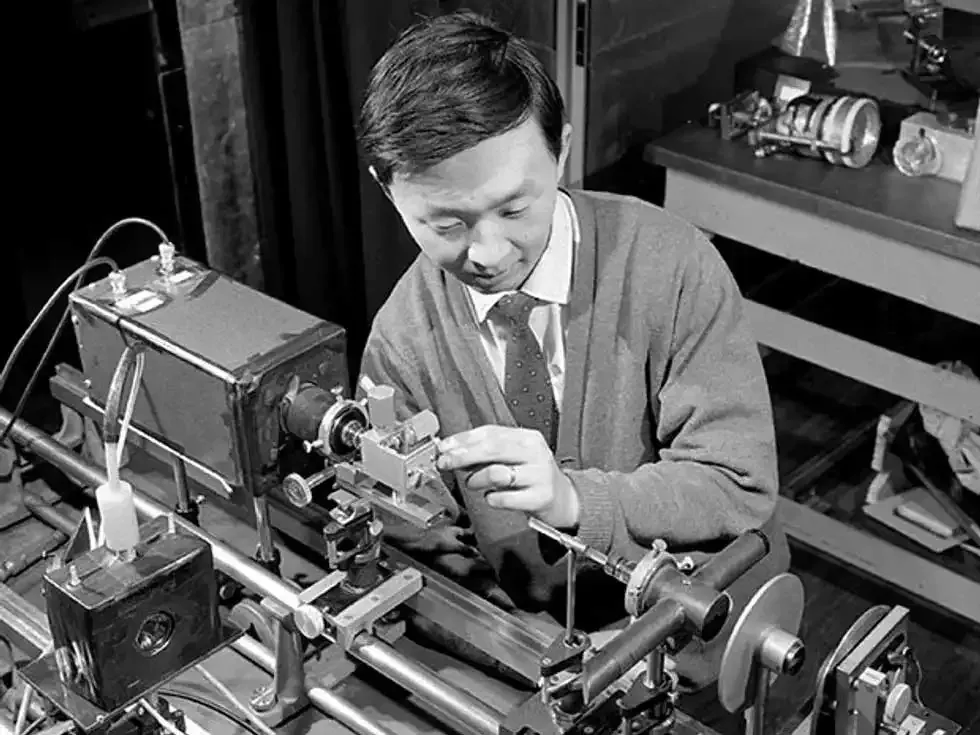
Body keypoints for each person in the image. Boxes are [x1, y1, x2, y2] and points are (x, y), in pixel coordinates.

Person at [355, 10, 790, 693]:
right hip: (533, 670)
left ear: (560, 149)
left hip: (697, 646)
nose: (488, 253)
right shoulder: (402, 343)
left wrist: (575, 501)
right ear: (388, 189)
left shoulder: (671, 266)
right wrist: (550, 665)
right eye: (446, 224)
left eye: (514, 209)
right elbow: (420, 555)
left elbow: (736, 483)